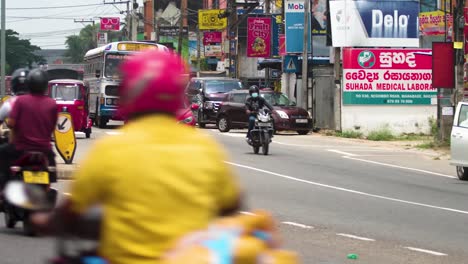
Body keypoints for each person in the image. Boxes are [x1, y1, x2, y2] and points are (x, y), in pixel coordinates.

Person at [31, 50, 242, 264]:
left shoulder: (112, 149)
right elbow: (230, 208)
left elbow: (73, 210)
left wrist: (46, 221)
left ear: (129, 91)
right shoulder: (205, 148)